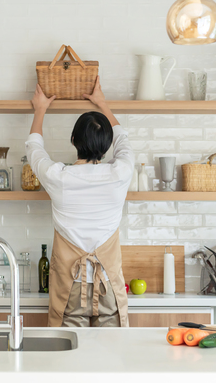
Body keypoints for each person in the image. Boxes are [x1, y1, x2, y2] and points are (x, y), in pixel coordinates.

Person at [25, 76, 134, 327]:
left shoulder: (59, 177)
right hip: (108, 285)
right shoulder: (120, 173)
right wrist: (102, 103)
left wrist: (40, 109)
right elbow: (124, 140)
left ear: (73, 140)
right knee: (112, 350)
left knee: (69, 351)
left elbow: (34, 149)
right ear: (107, 145)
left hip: (69, 288)